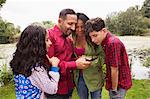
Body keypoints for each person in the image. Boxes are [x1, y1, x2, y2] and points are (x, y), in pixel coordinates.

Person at [46, 8, 91, 99]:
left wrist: (80, 60)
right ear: (60, 21)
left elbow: (68, 59)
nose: (73, 28)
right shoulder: (49, 36)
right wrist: (75, 64)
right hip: (55, 89)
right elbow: (49, 63)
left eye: (75, 24)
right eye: (70, 24)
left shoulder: (68, 39)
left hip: (68, 87)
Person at [85, 17, 132, 99]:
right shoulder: (105, 42)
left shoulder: (112, 43)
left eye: (95, 35)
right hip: (115, 83)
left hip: (118, 85)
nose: (92, 40)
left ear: (104, 31)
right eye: (91, 37)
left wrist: (114, 90)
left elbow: (114, 69)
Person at [10, 23, 60, 99]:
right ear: (37, 45)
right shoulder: (36, 69)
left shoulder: (20, 61)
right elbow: (52, 89)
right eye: (47, 40)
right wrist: (54, 67)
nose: (50, 43)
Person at [72, 13, 105, 99]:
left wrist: (89, 61)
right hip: (79, 77)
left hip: (95, 77)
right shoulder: (71, 39)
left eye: (82, 27)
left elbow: (102, 57)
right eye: (77, 27)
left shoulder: (93, 38)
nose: (79, 30)